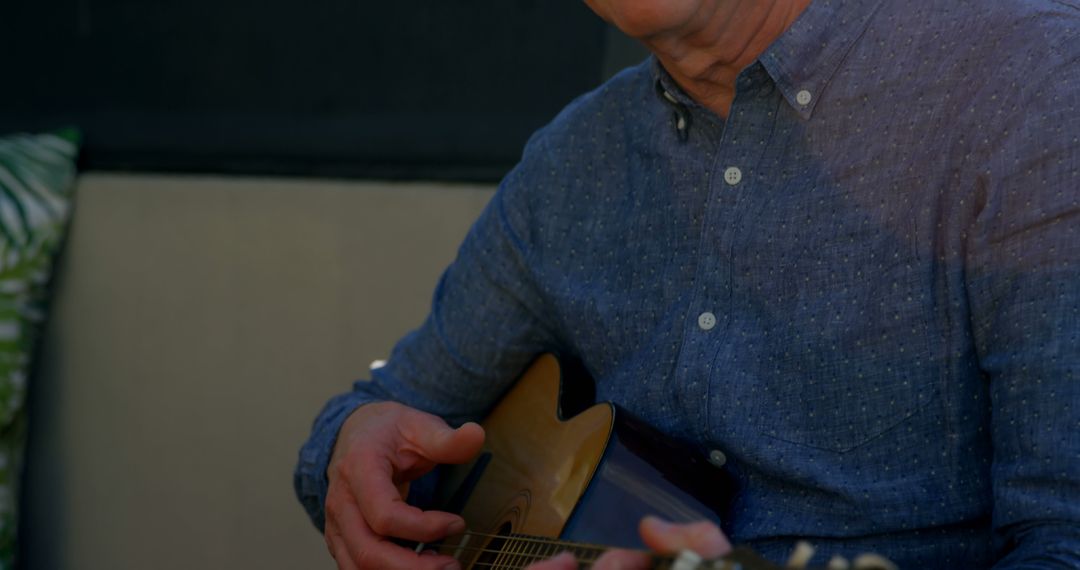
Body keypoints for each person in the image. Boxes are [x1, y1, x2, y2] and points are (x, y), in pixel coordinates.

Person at [295, 0, 1080, 567]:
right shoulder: (572, 164)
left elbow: (1064, 537)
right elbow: (381, 410)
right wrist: (346, 449)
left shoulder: (1032, 85)